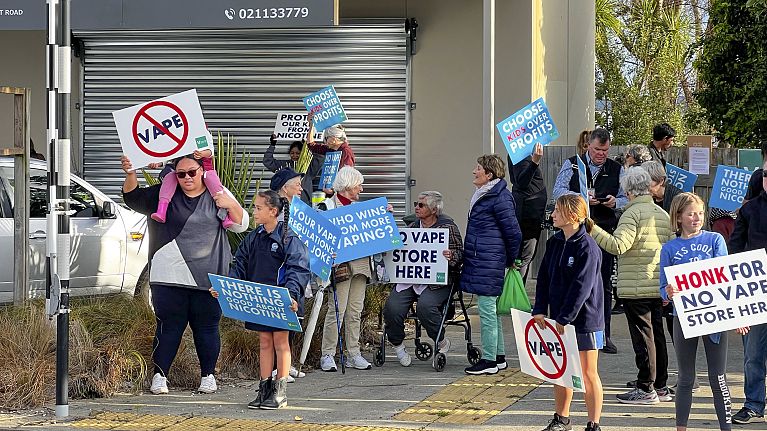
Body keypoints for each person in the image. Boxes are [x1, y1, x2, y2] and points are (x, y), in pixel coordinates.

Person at [120, 154, 248, 395]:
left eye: (192, 172)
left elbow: (242, 223)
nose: (187, 178)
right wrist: (130, 173)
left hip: (208, 278)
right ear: (174, 175)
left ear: (203, 171)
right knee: (168, 327)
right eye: (181, 174)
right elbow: (132, 198)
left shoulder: (218, 193)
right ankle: (160, 376)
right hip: (168, 275)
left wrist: (230, 204)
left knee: (208, 327)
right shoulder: (162, 195)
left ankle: (208, 376)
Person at [661, 192, 748, 431]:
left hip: (713, 317)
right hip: (684, 317)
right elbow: (662, 290)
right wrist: (668, 292)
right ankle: (681, 427)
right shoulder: (669, 248)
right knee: (685, 378)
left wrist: (736, 313)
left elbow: (725, 278)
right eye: (690, 214)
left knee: (717, 377)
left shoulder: (715, 240)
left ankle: (726, 427)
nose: (696, 218)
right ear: (678, 217)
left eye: (699, 213)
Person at [216, 189, 310, 410]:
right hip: (260, 300)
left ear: (273, 211)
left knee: (280, 342)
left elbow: (298, 268)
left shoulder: (289, 238)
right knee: (264, 342)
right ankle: (264, 388)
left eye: (258, 208)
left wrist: (292, 296)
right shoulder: (254, 236)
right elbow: (240, 263)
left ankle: (280, 391)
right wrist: (228, 286)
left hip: (281, 300)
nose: (254, 212)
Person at [588, 167, 673, 404]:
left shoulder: (631, 214)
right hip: (657, 283)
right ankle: (661, 385)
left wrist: (592, 229)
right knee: (657, 337)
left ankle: (646, 387)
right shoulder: (661, 214)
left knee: (643, 340)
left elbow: (618, 246)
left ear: (627, 190)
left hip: (635, 285)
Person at [534, 195, 605, 431]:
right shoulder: (554, 242)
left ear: (573, 216)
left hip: (585, 320)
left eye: (557, 210)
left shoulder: (588, 247)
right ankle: (561, 419)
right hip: (558, 318)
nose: (552, 214)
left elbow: (581, 287)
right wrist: (540, 309)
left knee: (587, 373)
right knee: (560, 371)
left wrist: (565, 317)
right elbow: (543, 278)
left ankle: (594, 423)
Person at [553, 127, 626, 354]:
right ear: (588, 146)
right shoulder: (572, 165)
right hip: (573, 233)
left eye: (605, 150)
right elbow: (558, 192)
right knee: (568, 281)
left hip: (603, 233)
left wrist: (615, 202)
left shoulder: (617, 169)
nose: (601, 154)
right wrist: (583, 199)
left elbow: (626, 198)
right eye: (597, 149)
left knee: (602, 284)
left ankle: (603, 335)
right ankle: (564, 329)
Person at [382, 191, 464, 366]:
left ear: (434, 209)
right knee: (392, 307)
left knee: (425, 307)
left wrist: (452, 256)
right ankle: (397, 345)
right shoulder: (411, 228)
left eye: (421, 205)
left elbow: (460, 254)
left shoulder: (448, 228)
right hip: (411, 279)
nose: (417, 208)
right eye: (416, 204)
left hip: (437, 282)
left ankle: (440, 340)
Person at [461, 154, 522, 375]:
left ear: (489, 174)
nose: (474, 171)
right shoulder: (487, 194)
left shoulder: (499, 197)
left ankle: (488, 361)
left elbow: (513, 232)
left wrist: (512, 259)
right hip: (484, 258)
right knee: (491, 311)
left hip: (490, 260)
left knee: (486, 310)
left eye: (478, 168)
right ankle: (498, 357)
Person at [319, 166, 372, 372]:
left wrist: (383, 215)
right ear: (349, 185)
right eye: (359, 184)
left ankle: (354, 353)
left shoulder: (361, 209)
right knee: (337, 310)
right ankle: (328, 354)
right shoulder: (326, 207)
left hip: (360, 264)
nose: (361, 189)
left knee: (355, 311)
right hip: (340, 266)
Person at [729, 159, 767, 424]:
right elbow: (733, 253)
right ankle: (754, 404)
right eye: (766, 174)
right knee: (753, 354)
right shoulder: (750, 210)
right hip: (753, 293)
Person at [149, 149, 233, 228]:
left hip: (205, 170)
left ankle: (225, 216)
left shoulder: (200, 138)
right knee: (169, 178)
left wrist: (202, 154)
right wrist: (158, 163)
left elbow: (210, 151)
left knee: (215, 186)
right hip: (181, 168)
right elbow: (168, 155)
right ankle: (161, 211)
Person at [508, 143, 547, 284]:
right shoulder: (520, 154)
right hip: (527, 218)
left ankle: (516, 297)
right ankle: (516, 299)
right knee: (524, 258)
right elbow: (522, 182)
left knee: (525, 258)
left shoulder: (522, 154)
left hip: (530, 217)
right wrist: (534, 162)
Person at [263, 134, 324, 204]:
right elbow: (268, 161)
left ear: (302, 153)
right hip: (286, 202)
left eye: (298, 153)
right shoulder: (285, 166)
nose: (294, 155)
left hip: (304, 203)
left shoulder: (309, 167)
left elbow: (320, 158)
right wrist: (272, 145)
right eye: (292, 153)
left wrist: (310, 146)